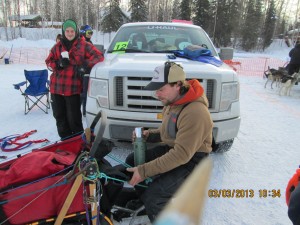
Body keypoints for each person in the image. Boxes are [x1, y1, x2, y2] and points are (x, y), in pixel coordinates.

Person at [125, 61, 213, 222]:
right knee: (132, 161)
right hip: (176, 149)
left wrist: (144, 171)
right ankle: (144, 201)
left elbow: (181, 155)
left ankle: (154, 205)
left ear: (178, 85)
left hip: (192, 160)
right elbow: (170, 132)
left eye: (161, 89)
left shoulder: (195, 112)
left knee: (155, 195)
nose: (157, 94)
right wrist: (149, 135)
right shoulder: (173, 102)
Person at [45, 19, 104, 139]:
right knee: (60, 118)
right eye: (67, 31)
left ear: (76, 31)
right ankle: (65, 143)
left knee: (74, 120)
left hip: (72, 89)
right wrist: (59, 64)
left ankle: (78, 145)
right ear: (63, 31)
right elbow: (48, 63)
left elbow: (99, 56)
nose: (70, 33)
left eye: (72, 31)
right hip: (56, 89)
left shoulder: (84, 45)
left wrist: (85, 65)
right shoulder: (57, 47)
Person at [80, 24, 94, 116]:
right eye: (89, 32)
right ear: (83, 33)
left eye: (91, 33)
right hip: (82, 72)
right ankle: (81, 111)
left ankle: (85, 111)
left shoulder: (89, 42)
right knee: (83, 93)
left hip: (88, 71)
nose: (90, 34)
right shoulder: (81, 43)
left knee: (86, 93)